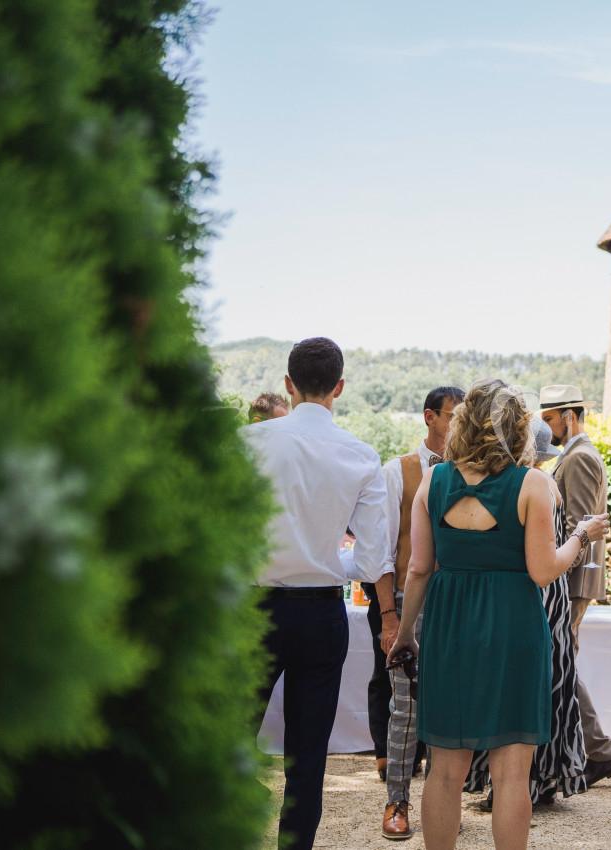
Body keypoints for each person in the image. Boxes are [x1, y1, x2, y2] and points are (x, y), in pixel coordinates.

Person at [387, 379, 608, 850]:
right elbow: (543, 570)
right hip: (513, 627)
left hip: (449, 628)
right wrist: (581, 536)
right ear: (518, 427)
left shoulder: (433, 480)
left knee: (444, 771)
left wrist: (405, 635)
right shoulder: (532, 484)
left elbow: (419, 569)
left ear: (464, 424)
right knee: (511, 775)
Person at [244, 337, 390, 850]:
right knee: (307, 759)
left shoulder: (245, 444)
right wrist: (327, 561)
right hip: (321, 612)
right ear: (339, 387)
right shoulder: (361, 456)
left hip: (253, 609)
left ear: (289, 384)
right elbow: (371, 561)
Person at [466, 417, 588, 810]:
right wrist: (581, 537)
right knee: (544, 691)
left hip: (530, 597)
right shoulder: (541, 486)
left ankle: (514, 782)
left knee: (515, 691)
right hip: (546, 597)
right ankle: (536, 780)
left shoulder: (502, 488)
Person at [376, 386, 465, 840]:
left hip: (460, 606)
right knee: (405, 709)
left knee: (452, 708)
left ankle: (442, 804)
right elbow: (382, 550)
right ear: (430, 417)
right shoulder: (400, 471)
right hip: (412, 603)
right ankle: (397, 801)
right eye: (453, 416)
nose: (460, 425)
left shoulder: (475, 472)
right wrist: (390, 617)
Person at [539, 384, 611, 788]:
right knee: (563, 666)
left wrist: (558, 574)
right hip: (567, 578)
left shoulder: (580, 458)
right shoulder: (573, 456)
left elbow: (582, 526)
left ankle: (599, 752)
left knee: (563, 666)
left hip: (571, 581)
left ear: (569, 417)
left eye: (550, 419)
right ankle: (597, 751)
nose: (546, 428)